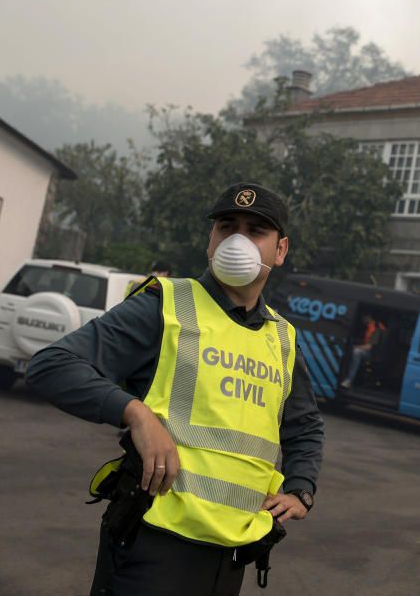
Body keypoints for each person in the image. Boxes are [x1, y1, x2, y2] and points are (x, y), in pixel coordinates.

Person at [27, 182, 325, 596]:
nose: (238, 240)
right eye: (227, 226)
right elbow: (51, 365)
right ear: (210, 240)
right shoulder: (164, 305)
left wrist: (301, 489)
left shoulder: (283, 338)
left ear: (280, 250)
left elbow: (305, 427)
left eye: (255, 230)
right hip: (154, 545)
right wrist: (136, 413)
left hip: (232, 553)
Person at [340, 313, 386, 389]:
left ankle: (349, 380)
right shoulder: (368, 327)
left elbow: (368, 347)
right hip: (369, 352)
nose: (362, 319)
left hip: (374, 355)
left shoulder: (376, 328)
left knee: (356, 352)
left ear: (368, 317)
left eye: (363, 317)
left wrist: (354, 347)